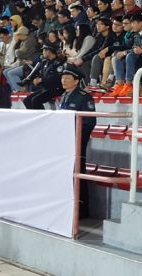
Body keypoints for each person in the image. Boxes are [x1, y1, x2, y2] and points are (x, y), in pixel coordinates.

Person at [58, 65, 96, 219]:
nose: (63, 80)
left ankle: (81, 210)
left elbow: (89, 122)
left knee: (78, 173)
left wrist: (76, 136)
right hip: (64, 142)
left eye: (67, 77)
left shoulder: (84, 96)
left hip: (76, 141)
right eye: (63, 77)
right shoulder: (64, 95)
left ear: (76, 81)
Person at [22, 43, 65, 109]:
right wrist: (37, 79)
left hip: (56, 88)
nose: (43, 52)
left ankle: (42, 118)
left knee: (35, 100)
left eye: (44, 50)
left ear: (49, 51)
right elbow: (41, 74)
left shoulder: (59, 63)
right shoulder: (45, 62)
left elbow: (57, 78)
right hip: (46, 88)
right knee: (27, 100)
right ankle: (35, 117)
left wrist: (42, 80)